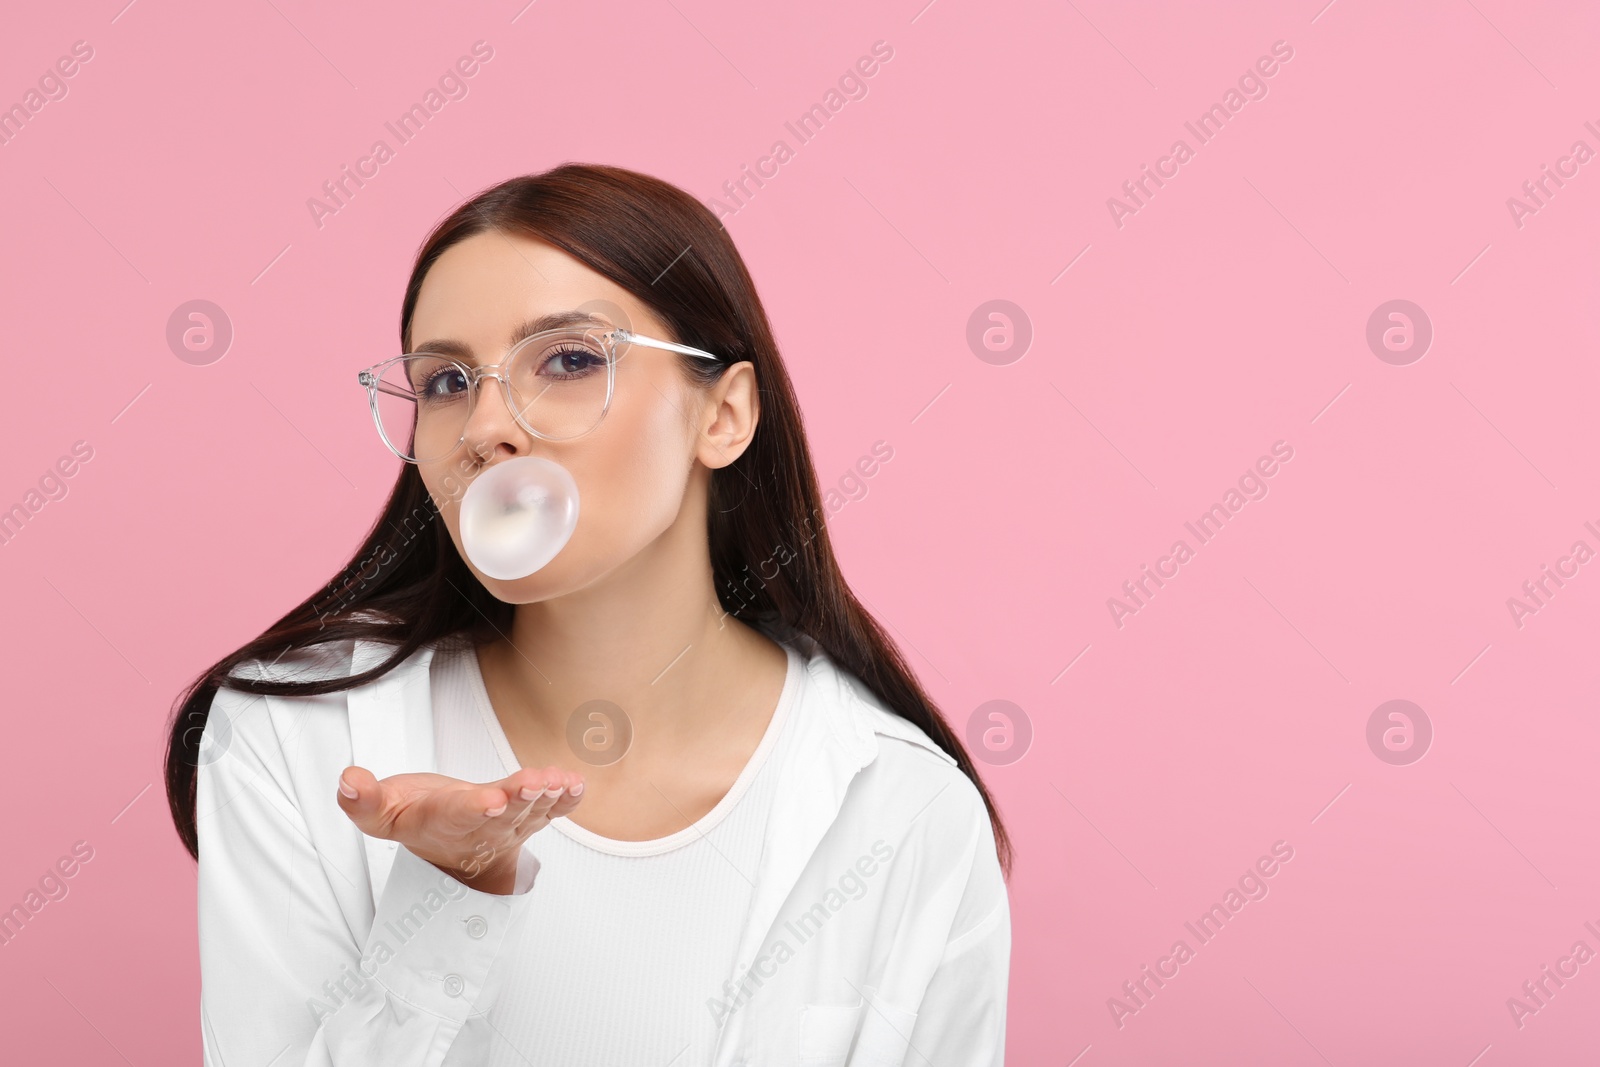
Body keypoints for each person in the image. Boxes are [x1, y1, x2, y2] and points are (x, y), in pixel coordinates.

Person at [163, 162, 1012, 1066]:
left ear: (723, 414)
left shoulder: (907, 811)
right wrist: (452, 896)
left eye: (568, 360)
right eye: (448, 381)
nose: (488, 425)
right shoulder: (296, 740)